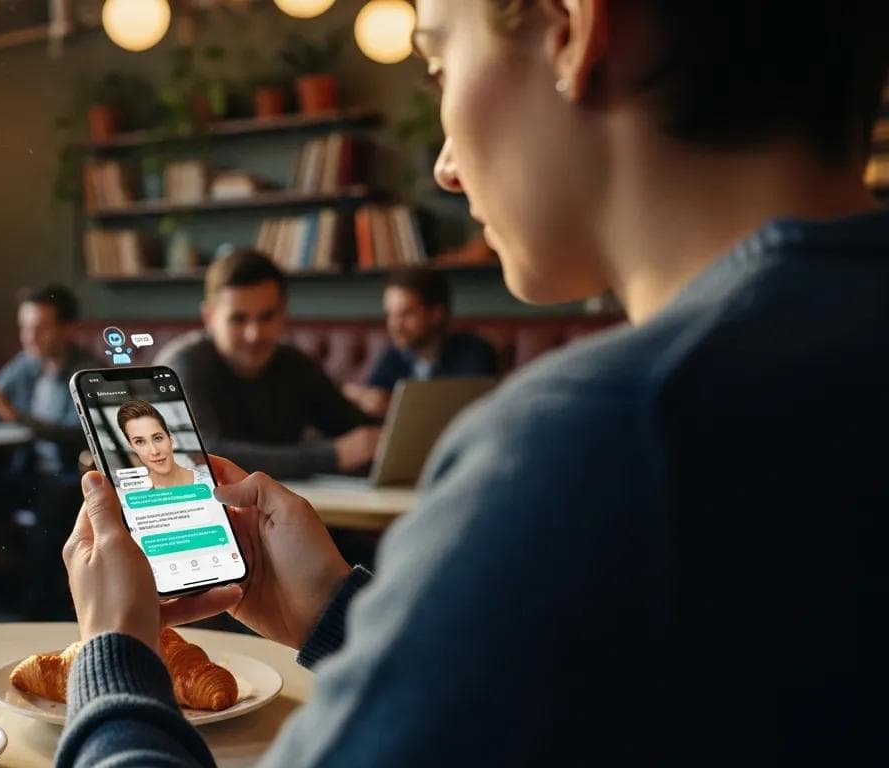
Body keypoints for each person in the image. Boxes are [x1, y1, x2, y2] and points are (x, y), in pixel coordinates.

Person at [55, 0, 889, 765]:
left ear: (569, 30)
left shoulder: (602, 435)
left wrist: (115, 658)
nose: (447, 167)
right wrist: (340, 617)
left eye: (439, 67)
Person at [156, 250, 379, 479]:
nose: (254, 334)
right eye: (238, 319)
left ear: (284, 314)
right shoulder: (179, 368)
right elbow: (202, 455)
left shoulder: (292, 362)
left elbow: (353, 427)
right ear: (209, 317)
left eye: (267, 317)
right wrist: (330, 456)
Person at [0, 284, 92, 618]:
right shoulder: (26, 365)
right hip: (29, 476)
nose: (29, 337)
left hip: (72, 479)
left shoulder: (88, 371)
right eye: (24, 327)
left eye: (40, 328)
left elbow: (77, 434)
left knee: (54, 502)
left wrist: (12, 414)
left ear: (68, 329)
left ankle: (33, 613)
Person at [344, 266, 499, 417]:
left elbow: (464, 412)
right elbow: (373, 395)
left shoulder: (474, 352)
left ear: (436, 315)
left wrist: (393, 406)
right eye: (391, 315)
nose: (394, 326)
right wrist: (361, 396)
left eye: (406, 314)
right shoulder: (395, 353)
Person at [115, 400, 210, 490]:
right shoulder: (130, 496)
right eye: (140, 442)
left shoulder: (209, 482)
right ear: (132, 447)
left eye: (158, 438)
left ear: (170, 437)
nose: (154, 451)